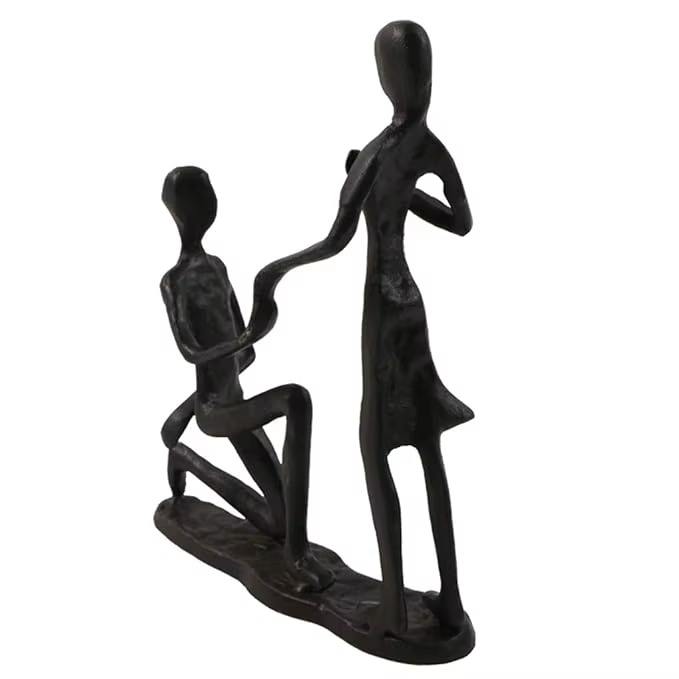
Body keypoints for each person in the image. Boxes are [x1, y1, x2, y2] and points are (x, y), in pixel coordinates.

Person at [245, 21, 474, 635]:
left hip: (383, 308)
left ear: (384, 78)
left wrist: (275, 272)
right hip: (413, 305)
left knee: (378, 451)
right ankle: (449, 600)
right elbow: (461, 222)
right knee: (427, 449)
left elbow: (334, 240)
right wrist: (402, 197)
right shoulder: (431, 146)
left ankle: (395, 607)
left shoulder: (376, 152)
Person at [159, 166, 333, 592]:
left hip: (236, 403)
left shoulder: (219, 268)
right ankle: (297, 556)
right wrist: (241, 342)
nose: (207, 205)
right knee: (295, 399)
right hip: (216, 410)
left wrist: (253, 334)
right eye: (198, 199)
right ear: (179, 212)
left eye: (208, 196)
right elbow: (190, 352)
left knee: (278, 521)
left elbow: (246, 354)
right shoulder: (174, 281)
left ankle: (187, 460)